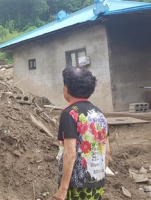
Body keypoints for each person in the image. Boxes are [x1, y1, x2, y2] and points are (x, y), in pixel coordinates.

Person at [54, 66, 111, 200]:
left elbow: (70, 153)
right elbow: (107, 151)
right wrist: (99, 174)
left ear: (66, 88)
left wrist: (63, 189)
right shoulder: (99, 114)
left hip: (77, 185)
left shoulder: (69, 114)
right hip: (97, 182)